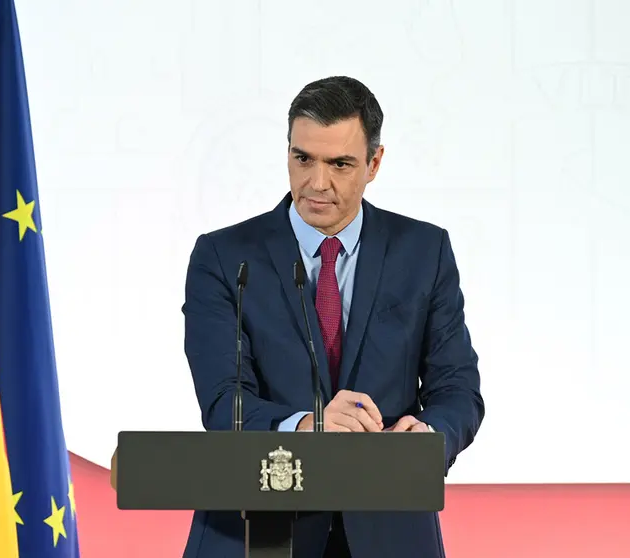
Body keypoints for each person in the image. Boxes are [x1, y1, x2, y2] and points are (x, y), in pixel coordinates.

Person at [182, 76, 484, 558]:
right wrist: (308, 426)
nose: (317, 183)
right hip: (254, 531)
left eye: (340, 164)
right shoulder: (224, 258)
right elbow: (224, 400)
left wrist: (427, 438)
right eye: (303, 159)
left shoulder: (424, 252)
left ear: (374, 163)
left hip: (389, 532)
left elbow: (458, 390)